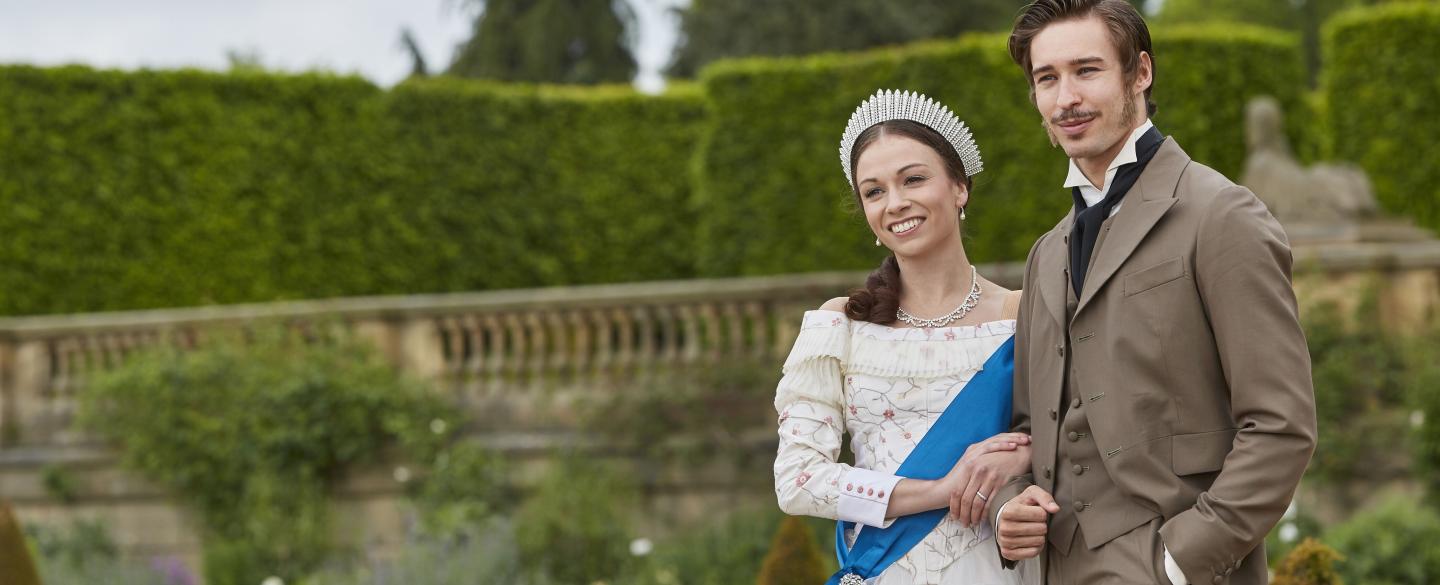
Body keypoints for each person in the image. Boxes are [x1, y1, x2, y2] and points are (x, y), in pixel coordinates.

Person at [983, 2, 1318, 584]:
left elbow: (1281, 425)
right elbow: (1028, 427)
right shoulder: (1047, 254)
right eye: (1047, 78)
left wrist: (1182, 559)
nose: (1066, 99)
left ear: (1140, 73)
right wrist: (1010, 501)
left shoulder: (1221, 215)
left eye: (1087, 70)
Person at [774, 89, 1036, 585]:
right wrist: (943, 489)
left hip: (1000, 566)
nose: (895, 203)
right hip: (883, 570)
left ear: (960, 187)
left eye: (913, 179)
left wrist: (1028, 454)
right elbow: (797, 482)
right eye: (874, 191)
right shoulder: (842, 326)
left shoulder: (1023, 313)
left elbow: (1083, 433)